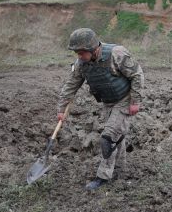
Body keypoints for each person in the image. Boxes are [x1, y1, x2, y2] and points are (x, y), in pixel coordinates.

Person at [57, 28, 144, 190]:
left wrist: (136, 101)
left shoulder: (116, 54)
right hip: (108, 102)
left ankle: (103, 176)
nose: (79, 56)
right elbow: (71, 85)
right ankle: (120, 170)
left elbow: (137, 75)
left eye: (81, 52)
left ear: (92, 48)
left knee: (108, 137)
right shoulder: (81, 64)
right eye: (77, 53)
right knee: (117, 137)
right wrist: (62, 109)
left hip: (125, 99)